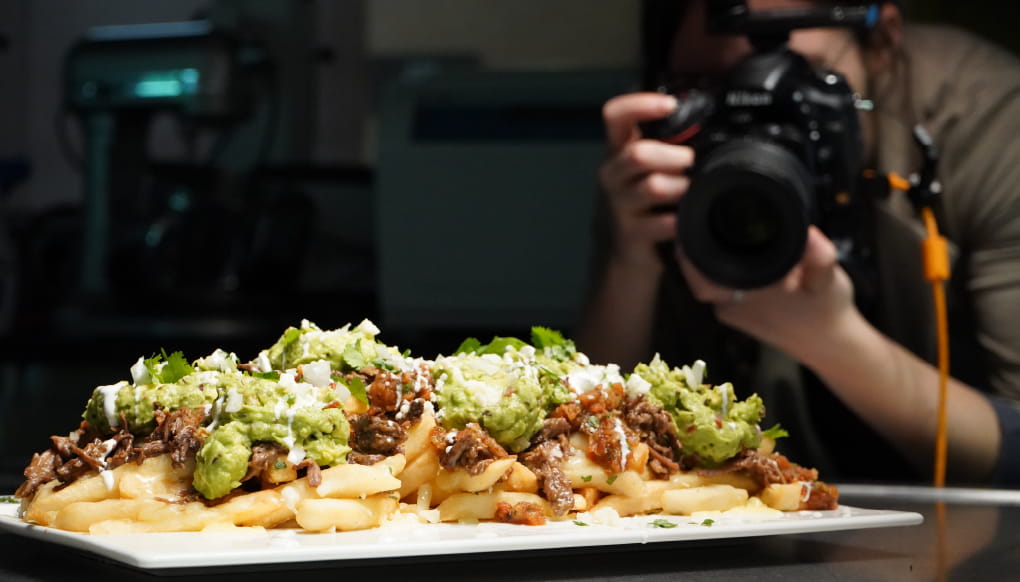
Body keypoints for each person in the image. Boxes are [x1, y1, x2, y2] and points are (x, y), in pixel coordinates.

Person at [577, 0, 1020, 485]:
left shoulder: (990, 121)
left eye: (800, 77)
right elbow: (584, 431)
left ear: (881, 41)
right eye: (709, 86)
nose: (756, 108)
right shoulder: (662, 149)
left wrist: (832, 341)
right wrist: (630, 263)